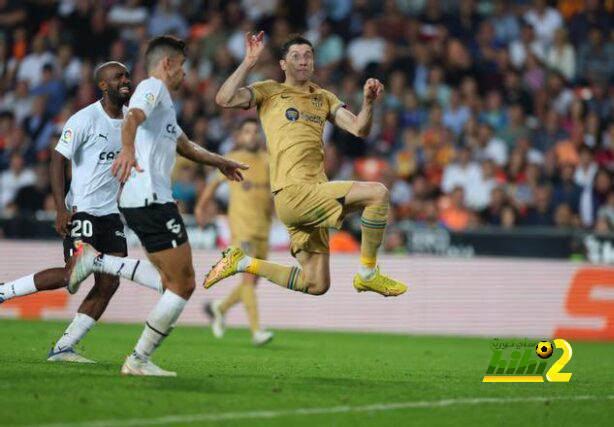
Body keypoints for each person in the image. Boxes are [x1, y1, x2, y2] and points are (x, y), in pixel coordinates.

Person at [66, 35, 247, 377]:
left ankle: (97, 260)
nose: (184, 75)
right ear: (167, 64)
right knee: (184, 284)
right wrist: (128, 149)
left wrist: (220, 161)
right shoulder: (153, 88)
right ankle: (138, 359)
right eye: (182, 67)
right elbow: (132, 117)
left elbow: (186, 145)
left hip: (144, 200)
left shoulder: (163, 106)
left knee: (172, 284)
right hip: (150, 198)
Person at [205, 32, 407, 298]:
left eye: (308, 56)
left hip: (312, 194)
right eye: (295, 56)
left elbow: (359, 129)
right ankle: (368, 274)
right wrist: (248, 62)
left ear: (314, 62)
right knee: (378, 193)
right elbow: (224, 99)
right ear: (282, 64)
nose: (303, 61)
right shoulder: (269, 91)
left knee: (316, 284)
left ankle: (242, 262)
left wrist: (368, 104)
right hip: (293, 192)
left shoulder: (323, 98)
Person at [0, 62, 163, 362]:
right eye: (119, 77)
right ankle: (3, 291)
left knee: (109, 282)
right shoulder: (85, 119)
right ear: (103, 85)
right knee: (71, 273)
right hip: (83, 211)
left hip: (111, 214)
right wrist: (61, 208)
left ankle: (63, 348)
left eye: (127, 76)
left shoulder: (131, 122)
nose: (126, 81)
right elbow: (56, 161)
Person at [195, 118, 274, 346]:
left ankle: (219, 307)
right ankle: (257, 331)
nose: (252, 135)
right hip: (242, 230)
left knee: (253, 282)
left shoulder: (268, 161)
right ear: (239, 136)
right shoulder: (232, 161)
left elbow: (272, 194)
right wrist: (201, 207)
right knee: (248, 278)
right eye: (247, 131)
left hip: (263, 230)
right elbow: (212, 185)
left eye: (255, 132)